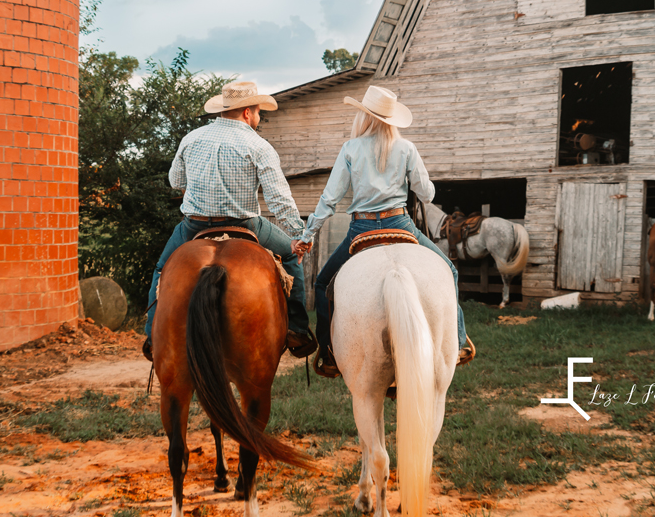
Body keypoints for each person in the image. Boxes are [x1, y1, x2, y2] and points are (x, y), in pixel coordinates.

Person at [297, 85, 475, 378]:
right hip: (400, 223)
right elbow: (427, 194)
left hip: (361, 227)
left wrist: (308, 234)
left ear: (364, 116)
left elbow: (330, 198)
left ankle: (328, 353)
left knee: (323, 283)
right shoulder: (406, 148)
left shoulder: (350, 149)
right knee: (450, 271)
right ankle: (456, 343)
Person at [141, 80, 316, 363]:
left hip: (194, 225)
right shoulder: (259, 146)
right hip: (245, 225)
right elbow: (278, 200)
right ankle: (297, 330)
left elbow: (175, 181)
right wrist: (299, 234)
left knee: (162, 269)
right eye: (259, 112)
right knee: (289, 257)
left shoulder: (192, 138)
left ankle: (152, 336)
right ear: (247, 112)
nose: (258, 119)